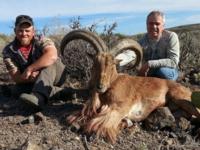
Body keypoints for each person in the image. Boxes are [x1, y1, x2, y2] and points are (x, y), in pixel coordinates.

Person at [2, 15, 76, 109]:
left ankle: (38, 97)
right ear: (15, 31)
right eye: (20, 30)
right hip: (33, 81)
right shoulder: (8, 51)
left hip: (56, 74)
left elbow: (52, 55)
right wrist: (31, 78)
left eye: (27, 31)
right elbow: (17, 78)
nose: (24, 33)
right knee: (17, 90)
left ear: (33, 32)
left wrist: (30, 69)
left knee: (49, 61)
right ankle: (62, 93)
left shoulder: (41, 39)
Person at [138, 10, 180, 80]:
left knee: (163, 72)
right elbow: (131, 55)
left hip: (168, 71)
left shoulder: (171, 36)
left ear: (163, 26)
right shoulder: (142, 41)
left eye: (157, 24)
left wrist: (149, 64)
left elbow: (173, 61)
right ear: (146, 25)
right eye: (150, 23)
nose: (154, 27)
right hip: (149, 72)